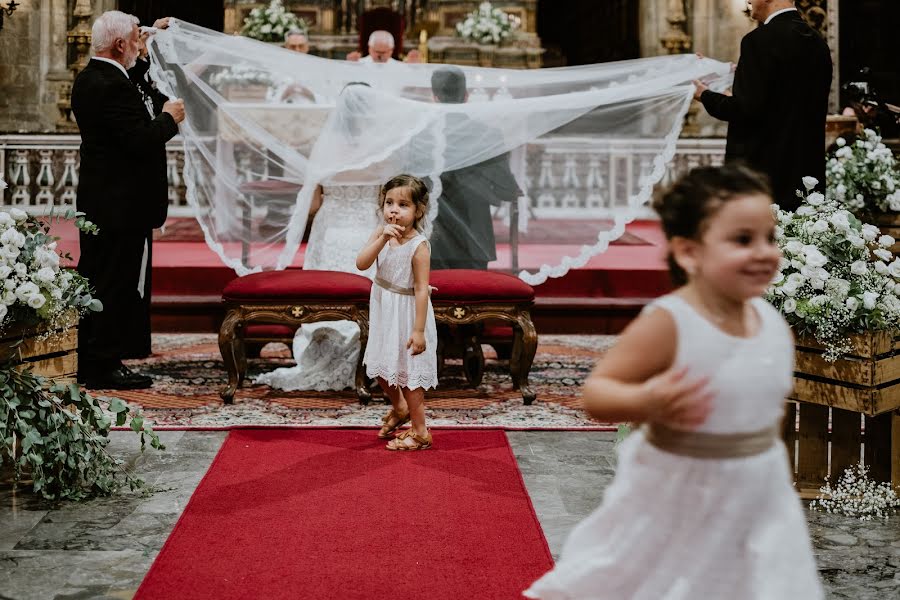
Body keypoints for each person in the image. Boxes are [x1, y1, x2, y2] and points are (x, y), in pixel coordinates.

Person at [524, 164, 823, 599]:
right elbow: (597, 393)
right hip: (682, 491)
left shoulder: (773, 323)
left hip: (759, 491)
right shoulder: (672, 321)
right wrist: (648, 399)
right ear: (688, 252)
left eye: (770, 237)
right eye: (743, 239)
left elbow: (768, 413)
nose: (764, 251)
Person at [72, 10, 184, 389]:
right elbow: (137, 140)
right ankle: (102, 363)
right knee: (111, 282)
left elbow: (132, 79)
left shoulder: (103, 76)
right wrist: (169, 119)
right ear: (121, 44)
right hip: (117, 205)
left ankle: (97, 356)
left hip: (114, 202)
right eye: (136, 37)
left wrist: (147, 45)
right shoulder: (106, 84)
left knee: (106, 279)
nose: (141, 42)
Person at [255, 83, 381, 392]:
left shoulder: (324, 147)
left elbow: (311, 205)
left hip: (332, 230)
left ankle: (322, 350)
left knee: (327, 294)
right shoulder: (382, 148)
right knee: (368, 298)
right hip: (367, 230)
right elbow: (386, 200)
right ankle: (369, 359)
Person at [693, 0, 832, 212]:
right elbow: (781, 102)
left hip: (765, 175)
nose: (748, 1)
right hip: (806, 177)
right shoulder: (818, 43)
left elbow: (744, 109)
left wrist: (705, 95)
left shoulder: (758, 41)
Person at [356, 174, 437, 450]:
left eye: (403, 205)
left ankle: (420, 430)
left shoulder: (419, 246)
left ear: (418, 211)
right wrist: (381, 240)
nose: (394, 210)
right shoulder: (381, 233)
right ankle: (399, 407)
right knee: (379, 365)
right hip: (383, 307)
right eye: (389, 203)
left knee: (409, 373)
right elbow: (361, 263)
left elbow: (422, 290)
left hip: (408, 311)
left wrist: (418, 330)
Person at [429, 66, 520, 270]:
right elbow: (506, 190)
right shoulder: (488, 135)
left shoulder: (420, 136)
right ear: (466, 96)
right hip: (474, 241)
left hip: (430, 241)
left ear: (434, 96)